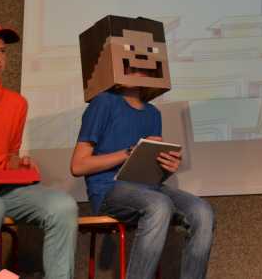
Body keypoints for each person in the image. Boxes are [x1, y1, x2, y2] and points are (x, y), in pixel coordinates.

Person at [71, 15, 214, 279]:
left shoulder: (152, 113)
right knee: (158, 205)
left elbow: (147, 172)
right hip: (109, 190)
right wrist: (128, 152)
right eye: (130, 62)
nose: (137, 68)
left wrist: (166, 167)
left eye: (144, 63)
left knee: (202, 211)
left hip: (148, 189)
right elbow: (78, 165)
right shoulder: (104, 103)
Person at [0, 21, 78, 279]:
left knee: (62, 205)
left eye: (2, 51)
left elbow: (9, 155)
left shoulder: (16, 103)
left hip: (0, 188)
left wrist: (19, 166)